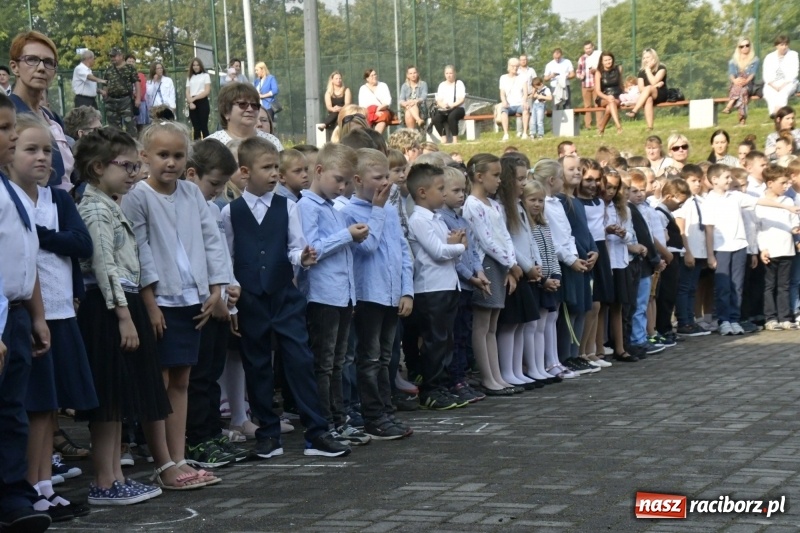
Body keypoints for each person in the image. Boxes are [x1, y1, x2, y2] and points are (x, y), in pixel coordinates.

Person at [220, 136, 351, 458]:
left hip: (283, 296)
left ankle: (317, 432)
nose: (274, 174)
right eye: (267, 168)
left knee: (300, 361)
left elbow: (295, 246)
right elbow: (227, 258)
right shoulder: (230, 213)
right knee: (257, 365)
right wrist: (231, 302)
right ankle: (268, 434)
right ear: (245, 172)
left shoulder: (288, 206)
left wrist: (301, 258)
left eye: (276, 167)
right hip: (250, 299)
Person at [121, 121, 230, 489]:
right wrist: (150, 303)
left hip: (191, 300)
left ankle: (179, 457)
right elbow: (139, 250)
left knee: (182, 379)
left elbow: (211, 238)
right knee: (161, 380)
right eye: (163, 155)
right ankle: (163, 462)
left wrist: (216, 286)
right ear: (145, 156)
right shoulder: (138, 197)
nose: (171, 162)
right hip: (161, 301)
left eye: (178, 155)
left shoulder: (191, 193)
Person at [73, 127, 170, 504]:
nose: (134, 173)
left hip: (121, 303)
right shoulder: (96, 209)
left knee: (116, 402)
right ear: (98, 167)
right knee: (108, 400)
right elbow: (104, 266)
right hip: (109, 308)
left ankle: (114, 476)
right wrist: (124, 316)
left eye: (135, 166)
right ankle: (104, 480)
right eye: (126, 166)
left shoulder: (109, 203)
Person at [8, 115, 96, 522]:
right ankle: (28, 486)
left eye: (47, 150)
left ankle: (44, 485)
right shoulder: (9, 198)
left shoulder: (57, 200)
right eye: (31, 149)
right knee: (31, 405)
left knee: (49, 406)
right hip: (24, 313)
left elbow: (81, 243)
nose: (43, 157)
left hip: (58, 311)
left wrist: (42, 236)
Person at [296, 143, 374, 446]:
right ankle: (325, 422)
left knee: (338, 362)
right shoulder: (306, 207)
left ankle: (340, 420)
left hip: (341, 295)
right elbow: (312, 250)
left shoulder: (332, 208)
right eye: (338, 180)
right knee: (325, 363)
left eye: (347, 181)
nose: (342, 187)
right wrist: (347, 235)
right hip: (321, 296)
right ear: (319, 170)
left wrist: (353, 237)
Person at [0, 92, 53, 532]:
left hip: (15, 316)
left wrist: (36, 316)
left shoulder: (9, 191)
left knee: (12, 411)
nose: (11, 137)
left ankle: (13, 495)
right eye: (3, 130)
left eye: (12, 128)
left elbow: (24, 257)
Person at [183, 138, 250, 468]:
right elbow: (194, 259)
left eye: (224, 184)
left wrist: (231, 290)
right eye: (214, 183)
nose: (219, 191)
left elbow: (221, 256)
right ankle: (197, 438)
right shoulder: (183, 210)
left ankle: (211, 433)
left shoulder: (212, 209)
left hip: (219, 303)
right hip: (200, 305)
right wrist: (213, 295)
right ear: (192, 174)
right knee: (198, 378)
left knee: (211, 374)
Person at [703, 164, 800, 336]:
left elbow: (760, 201)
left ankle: (734, 319)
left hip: (740, 246)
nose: (729, 180)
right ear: (714, 180)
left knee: (737, 286)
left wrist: (787, 207)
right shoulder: (709, 201)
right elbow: (709, 230)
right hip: (721, 248)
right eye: (726, 177)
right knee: (724, 286)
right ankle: (724, 320)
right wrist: (710, 255)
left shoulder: (735, 196)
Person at [406, 163, 465, 409]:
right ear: (422, 192)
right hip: (431, 289)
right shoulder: (419, 219)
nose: (444, 193)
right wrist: (459, 246)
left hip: (447, 285)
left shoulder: (437, 218)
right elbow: (440, 251)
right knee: (435, 341)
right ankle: (431, 390)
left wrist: (455, 247)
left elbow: (450, 253)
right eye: (440, 189)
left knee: (446, 340)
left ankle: (442, 385)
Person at [462, 154, 519, 394]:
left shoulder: (494, 205)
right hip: (485, 264)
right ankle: (487, 377)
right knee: (482, 324)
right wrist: (510, 263)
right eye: (495, 175)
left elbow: (504, 236)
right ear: (479, 176)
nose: (499, 180)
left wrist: (511, 262)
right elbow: (486, 241)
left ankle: (497, 376)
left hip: (500, 265)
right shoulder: (472, 205)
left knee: (493, 324)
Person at [437, 166, 488, 403]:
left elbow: (473, 250)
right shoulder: (441, 219)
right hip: (457, 285)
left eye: (463, 190)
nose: (462, 195)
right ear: (442, 192)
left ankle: (462, 377)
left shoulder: (462, 219)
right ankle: (454, 379)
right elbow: (454, 258)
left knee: (464, 333)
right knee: (454, 336)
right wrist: (470, 276)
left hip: (469, 285)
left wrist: (479, 271)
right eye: (456, 190)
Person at [9, 32, 75, 191]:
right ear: (15, 67)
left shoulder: (52, 117)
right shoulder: (7, 114)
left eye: (48, 62)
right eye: (31, 60)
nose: (41, 68)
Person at [757, 165, 800, 330]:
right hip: (770, 250)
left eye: (787, 183)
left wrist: (795, 228)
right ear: (770, 183)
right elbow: (758, 229)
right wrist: (763, 248)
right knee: (769, 286)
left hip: (787, 249)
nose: (786, 186)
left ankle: (785, 317)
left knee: (784, 285)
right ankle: (770, 318)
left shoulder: (788, 201)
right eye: (782, 183)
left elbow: (793, 221)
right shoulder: (760, 203)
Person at [673, 165, 711, 337]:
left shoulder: (700, 201)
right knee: (684, 287)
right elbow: (681, 229)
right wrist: (687, 251)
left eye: (699, 180)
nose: (697, 184)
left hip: (699, 251)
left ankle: (691, 320)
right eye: (693, 180)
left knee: (692, 288)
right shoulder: (683, 203)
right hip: (687, 252)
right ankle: (683, 322)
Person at [653, 179, 690, 347]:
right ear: (669, 196)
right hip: (668, 257)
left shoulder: (667, 213)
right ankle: (662, 328)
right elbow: (660, 237)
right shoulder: (659, 214)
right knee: (665, 295)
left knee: (671, 294)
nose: (680, 206)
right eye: (679, 202)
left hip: (673, 256)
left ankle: (666, 327)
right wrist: (666, 255)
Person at [207, 82, 283, 150]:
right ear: (226, 112)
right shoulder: (211, 145)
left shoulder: (271, 142)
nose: (250, 109)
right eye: (242, 104)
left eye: (254, 105)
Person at [626, 48, 668, 131]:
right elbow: (641, 89)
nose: (645, 60)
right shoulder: (641, 72)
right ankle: (650, 127)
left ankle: (634, 111)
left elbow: (653, 81)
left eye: (648, 57)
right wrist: (655, 86)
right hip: (647, 95)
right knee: (648, 98)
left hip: (661, 94)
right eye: (644, 58)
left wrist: (648, 70)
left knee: (648, 88)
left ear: (654, 58)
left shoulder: (661, 68)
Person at [102, 48, 140, 138]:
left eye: (114, 56)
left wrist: (138, 99)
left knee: (130, 125)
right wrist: (105, 95)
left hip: (125, 100)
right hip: (111, 101)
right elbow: (105, 84)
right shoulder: (109, 69)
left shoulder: (130, 68)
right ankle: (117, 144)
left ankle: (132, 144)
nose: (112, 58)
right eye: (111, 56)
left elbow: (137, 83)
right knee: (113, 128)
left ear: (121, 56)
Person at [722, 37, 760, 125]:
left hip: (749, 83)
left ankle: (729, 105)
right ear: (738, 48)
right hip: (736, 83)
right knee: (742, 91)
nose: (745, 48)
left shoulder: (755, 59)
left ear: (750, 46)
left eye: (747, 45)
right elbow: (731, 74)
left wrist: (746, 81)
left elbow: (752, 74)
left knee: (743, 90)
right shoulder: (733, 61)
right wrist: (735, 80)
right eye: (742, 46)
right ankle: (742, 119)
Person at [762, 35, 799, 117]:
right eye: (782, 45)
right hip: (773, 83)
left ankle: (780, 113)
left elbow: (794, 73)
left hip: (789, 82)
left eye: (786, 44)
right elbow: (766, 75)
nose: (784, 47)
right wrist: (773, 85)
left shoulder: (793, 55)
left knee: (783, 92)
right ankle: (773, 112)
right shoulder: (769, 57)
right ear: (777, 46)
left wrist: (783, 85)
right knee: (768, 92)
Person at [431, 65, 466, 144]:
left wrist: (452, 105)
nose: (449, 75)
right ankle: (443, 137)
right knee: (436, 118)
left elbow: (462, 99)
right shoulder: (442, 85)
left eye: (450, 73)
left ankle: (455, 139)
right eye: (447, 73)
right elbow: (438, 100)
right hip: (445, 109)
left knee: (452, 117)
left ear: (454, 73)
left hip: (458, 108)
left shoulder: (459, 83)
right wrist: (443, 105)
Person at [499, 57, 529, 141]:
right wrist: (504, 101)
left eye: (517, 66)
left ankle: (525, 133)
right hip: (509, 105)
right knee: (503, 111)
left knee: (526, 110)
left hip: (520, 104)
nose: (515, 68)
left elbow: (525, 93)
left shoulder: (523, 77)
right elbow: (502, 94)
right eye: (513, 66)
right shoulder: (503, 78)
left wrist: (524, 101)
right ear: (509, 66)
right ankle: (506, 134)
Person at [593, 51, 623, 135]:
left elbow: (621, 83)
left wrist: (626, 93)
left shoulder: (619, 68)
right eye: (605, 60)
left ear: (612, 59)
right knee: (611, 101)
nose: (608, 62)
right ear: (602, 62)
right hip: (603, 97)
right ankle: (619, 126)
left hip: (617, 95)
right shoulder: (598, 72)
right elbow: (598, 91)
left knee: (610, 107)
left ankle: (601, 128)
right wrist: (607, 97)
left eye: (609, 59)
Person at [358, 69, 393, 134]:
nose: (374, 76)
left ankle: (375, 137)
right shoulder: (363, 88)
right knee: (364, 120)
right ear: (367, 79)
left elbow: (388, 101)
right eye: (372, 75)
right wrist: (373, 112)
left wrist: (378, 109)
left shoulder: (383, 85)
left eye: (375, 74)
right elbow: (362, 105)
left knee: (383, 118)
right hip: (368, 112)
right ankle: (368, 137)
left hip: (382, 110)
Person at [577, 41, 602, 129]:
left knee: (598, 104)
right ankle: (588, 125)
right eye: (586, 48)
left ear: (593, 47)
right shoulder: (582, 58)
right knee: (587, 106)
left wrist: (596, 70)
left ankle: (600, 124)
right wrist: (580, 76)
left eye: (589, 48)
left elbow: (603, 67)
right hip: (585, 84)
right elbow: (578, 71)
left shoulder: (598, 55)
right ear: (584, 49)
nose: (588, 50)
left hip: (596, 84)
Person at [185, 57, 211, 140]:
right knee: (196, 128)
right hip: (192, 103)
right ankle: (196, 146)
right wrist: (190, 102)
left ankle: (208, 145)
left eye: (197, 65)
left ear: (200, 66)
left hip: (202, 101)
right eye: (194, 65)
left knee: (204, 127)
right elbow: (187, 91)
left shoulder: (205, 75)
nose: (195, 67)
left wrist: (194, 99)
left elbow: (206, 91)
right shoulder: (190, 77)